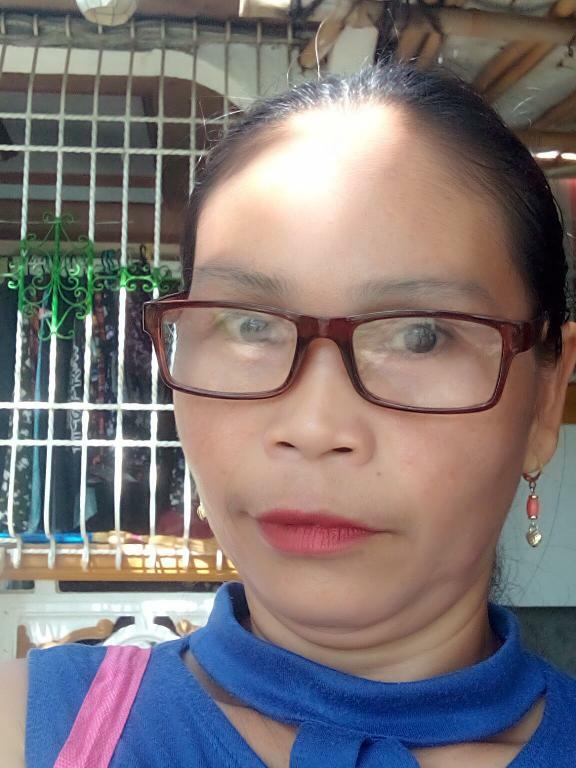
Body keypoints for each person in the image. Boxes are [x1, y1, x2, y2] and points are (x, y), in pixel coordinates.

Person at [2, 57, 576, 768]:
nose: (312, 428)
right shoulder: (27, 730)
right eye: (248, 325)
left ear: (545, 399)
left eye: (421, 335)